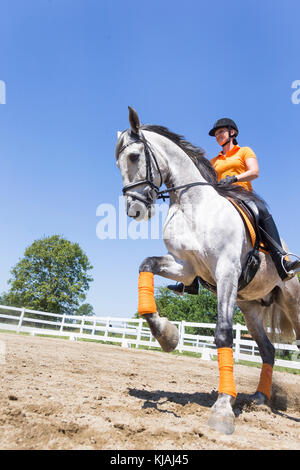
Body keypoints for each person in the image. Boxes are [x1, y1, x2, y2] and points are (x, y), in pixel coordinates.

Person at [168, 118, 300, 295]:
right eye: (215, 134)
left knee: (261, 210)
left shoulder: (244, 151)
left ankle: (281, 260)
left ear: (232, 133)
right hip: (221, 199)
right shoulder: (214, 160)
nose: (218, 136)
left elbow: (255, 172)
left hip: (243, 195)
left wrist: (235, 178)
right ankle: (189, 281)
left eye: (221, 132)